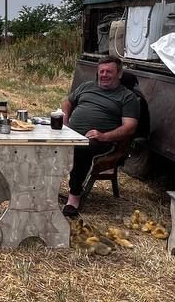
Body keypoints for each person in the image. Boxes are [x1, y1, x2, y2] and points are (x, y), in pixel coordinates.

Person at [60, 56, 141, 218]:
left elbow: (130, 127)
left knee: (82, 147)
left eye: (109, 71)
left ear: (119, 74)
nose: (104, 75)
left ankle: (74, 196)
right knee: (43, 141)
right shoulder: (86, 87)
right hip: (71, 133)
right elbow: (67, 102)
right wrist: (65, 121)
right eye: (101, 71)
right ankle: (43, 188)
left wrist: (103, 136)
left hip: (102, 141)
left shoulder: (127, 97)